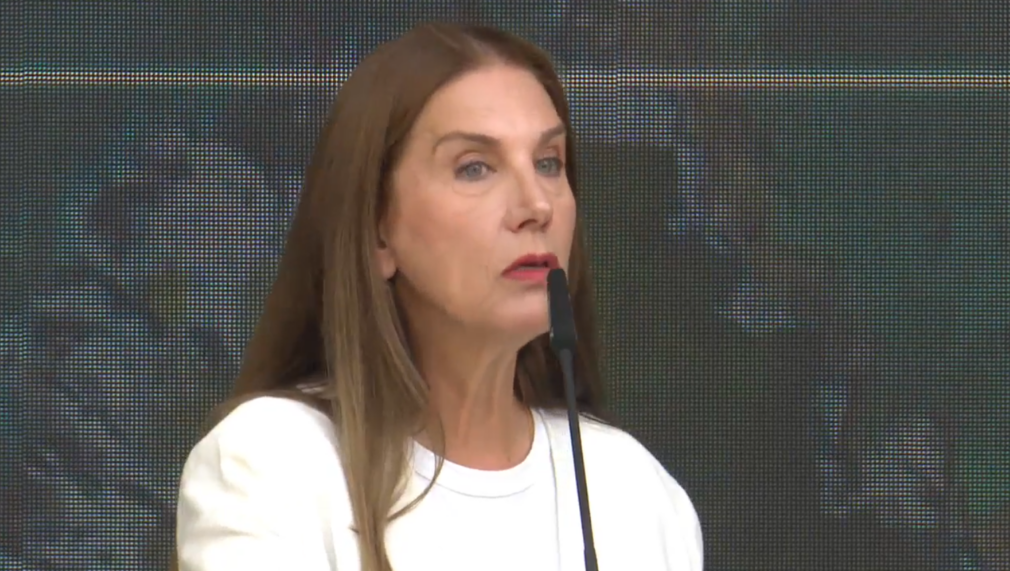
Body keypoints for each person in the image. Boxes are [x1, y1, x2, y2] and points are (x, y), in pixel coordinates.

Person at [174, 21, 703, 571]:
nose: (536, 205)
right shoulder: (272, 461)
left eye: (548, 162)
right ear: (378, 232)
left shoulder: (635, 493)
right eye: (475, 168)